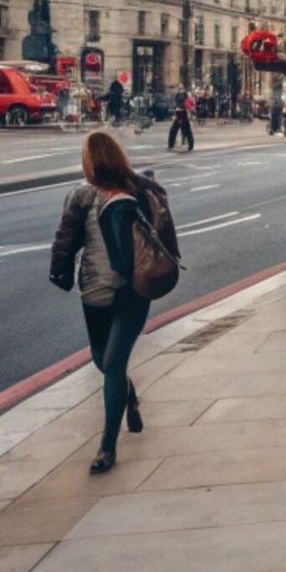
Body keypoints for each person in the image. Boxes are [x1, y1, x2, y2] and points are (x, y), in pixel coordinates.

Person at [49, 131, 171, 474]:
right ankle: (127, 396)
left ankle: (107, 447)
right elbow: (66, 240)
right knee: (102, 359)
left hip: (131, 289)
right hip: (98, 291)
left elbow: (64, 241)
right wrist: (60, 271)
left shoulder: (137, 192)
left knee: (114, 363)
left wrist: (60, 270)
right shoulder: (85, 196)